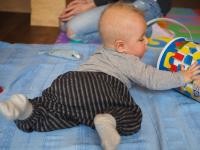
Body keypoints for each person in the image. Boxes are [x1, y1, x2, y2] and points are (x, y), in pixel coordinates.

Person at [1, 3, 200, 150]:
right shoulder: (130, 61)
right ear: (121, 47)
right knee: (132, 115)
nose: (146, 42)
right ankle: (108, 120)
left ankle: (26, 108)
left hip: (68, 81)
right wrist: (182, 77)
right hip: (105, 86)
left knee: (53, 109)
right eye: (141, 38)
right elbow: (153, 79)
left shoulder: (99, 52)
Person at [59, 0, 172, 42]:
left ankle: (147, 29)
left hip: (147, 3)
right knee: (64, 24)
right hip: (119, 2)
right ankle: (141, 27)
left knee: (74, 31)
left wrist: (94, 3)